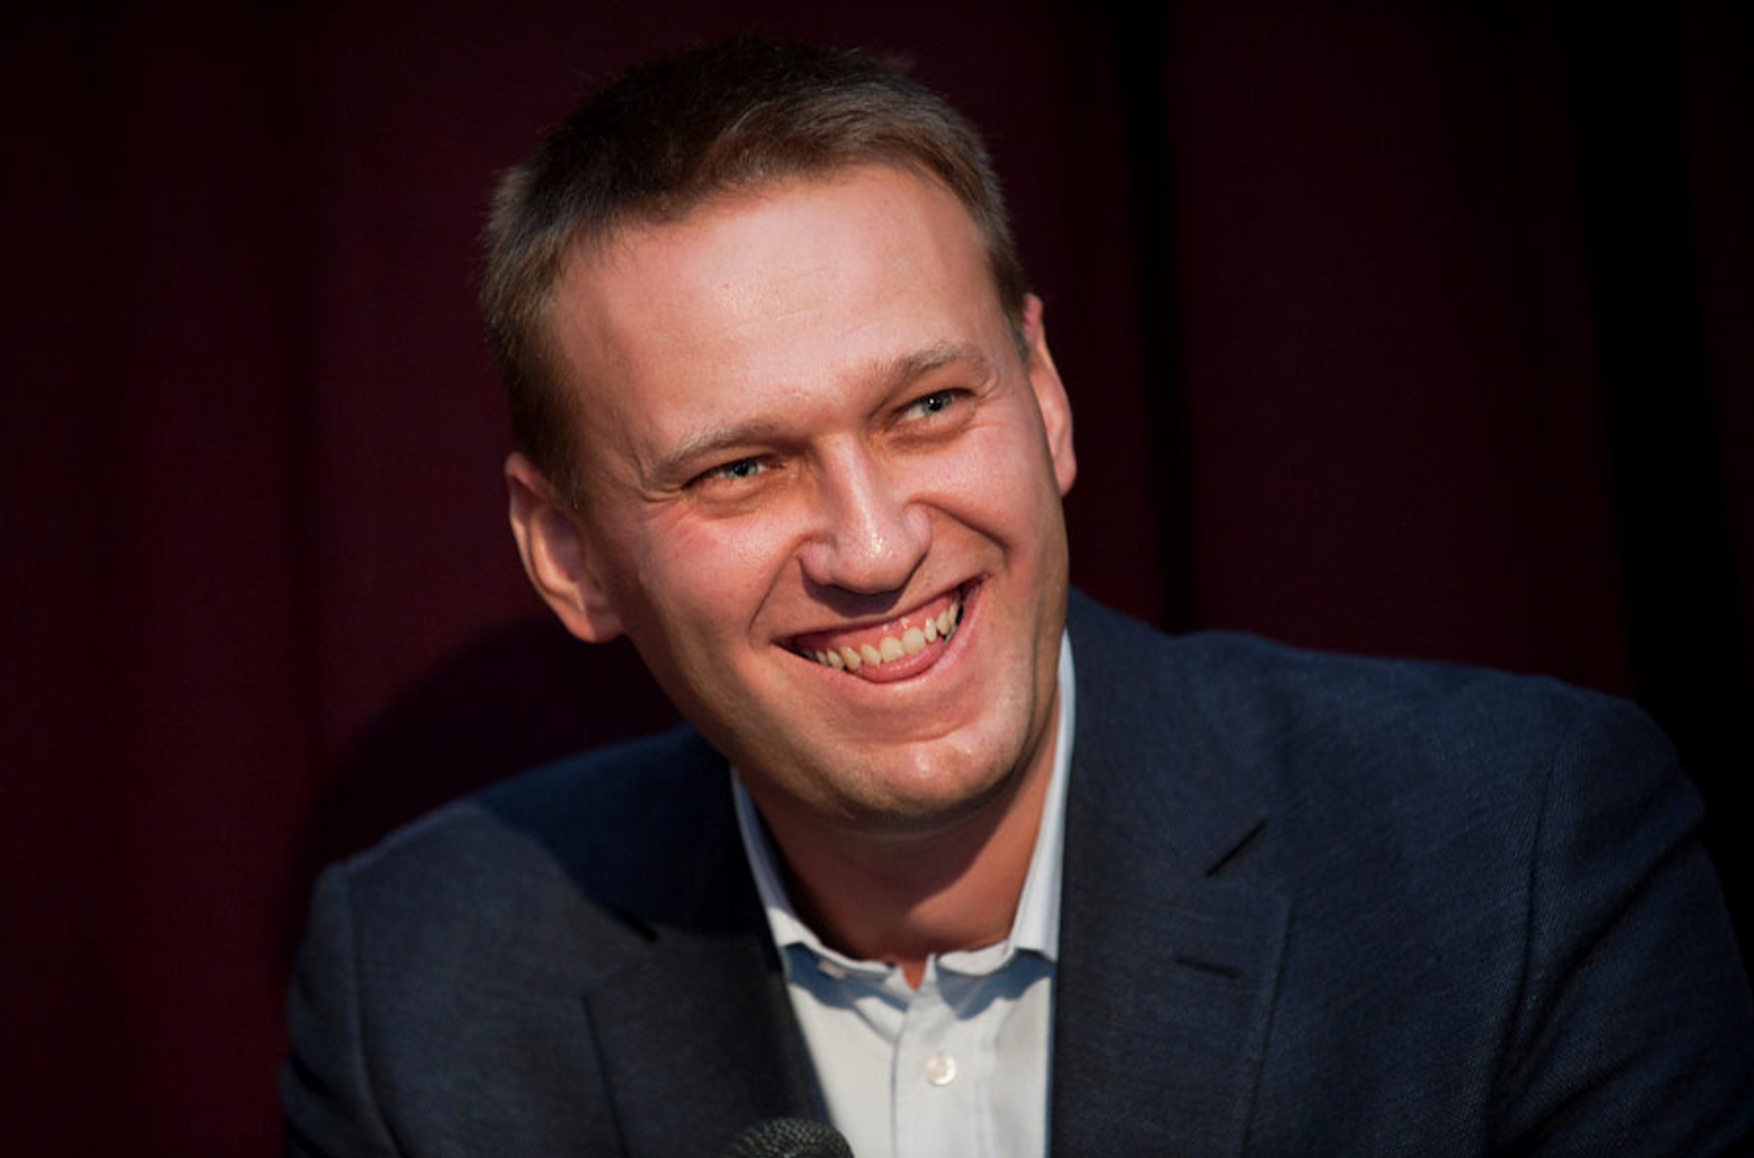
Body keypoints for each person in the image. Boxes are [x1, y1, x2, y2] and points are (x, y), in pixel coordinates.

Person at [282, 38, 1754, 1158]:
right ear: (569, 553)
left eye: (927, 405)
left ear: (1042, 395)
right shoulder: (418, 990)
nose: (872, 546)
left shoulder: (1516, 858)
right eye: (738, 469)